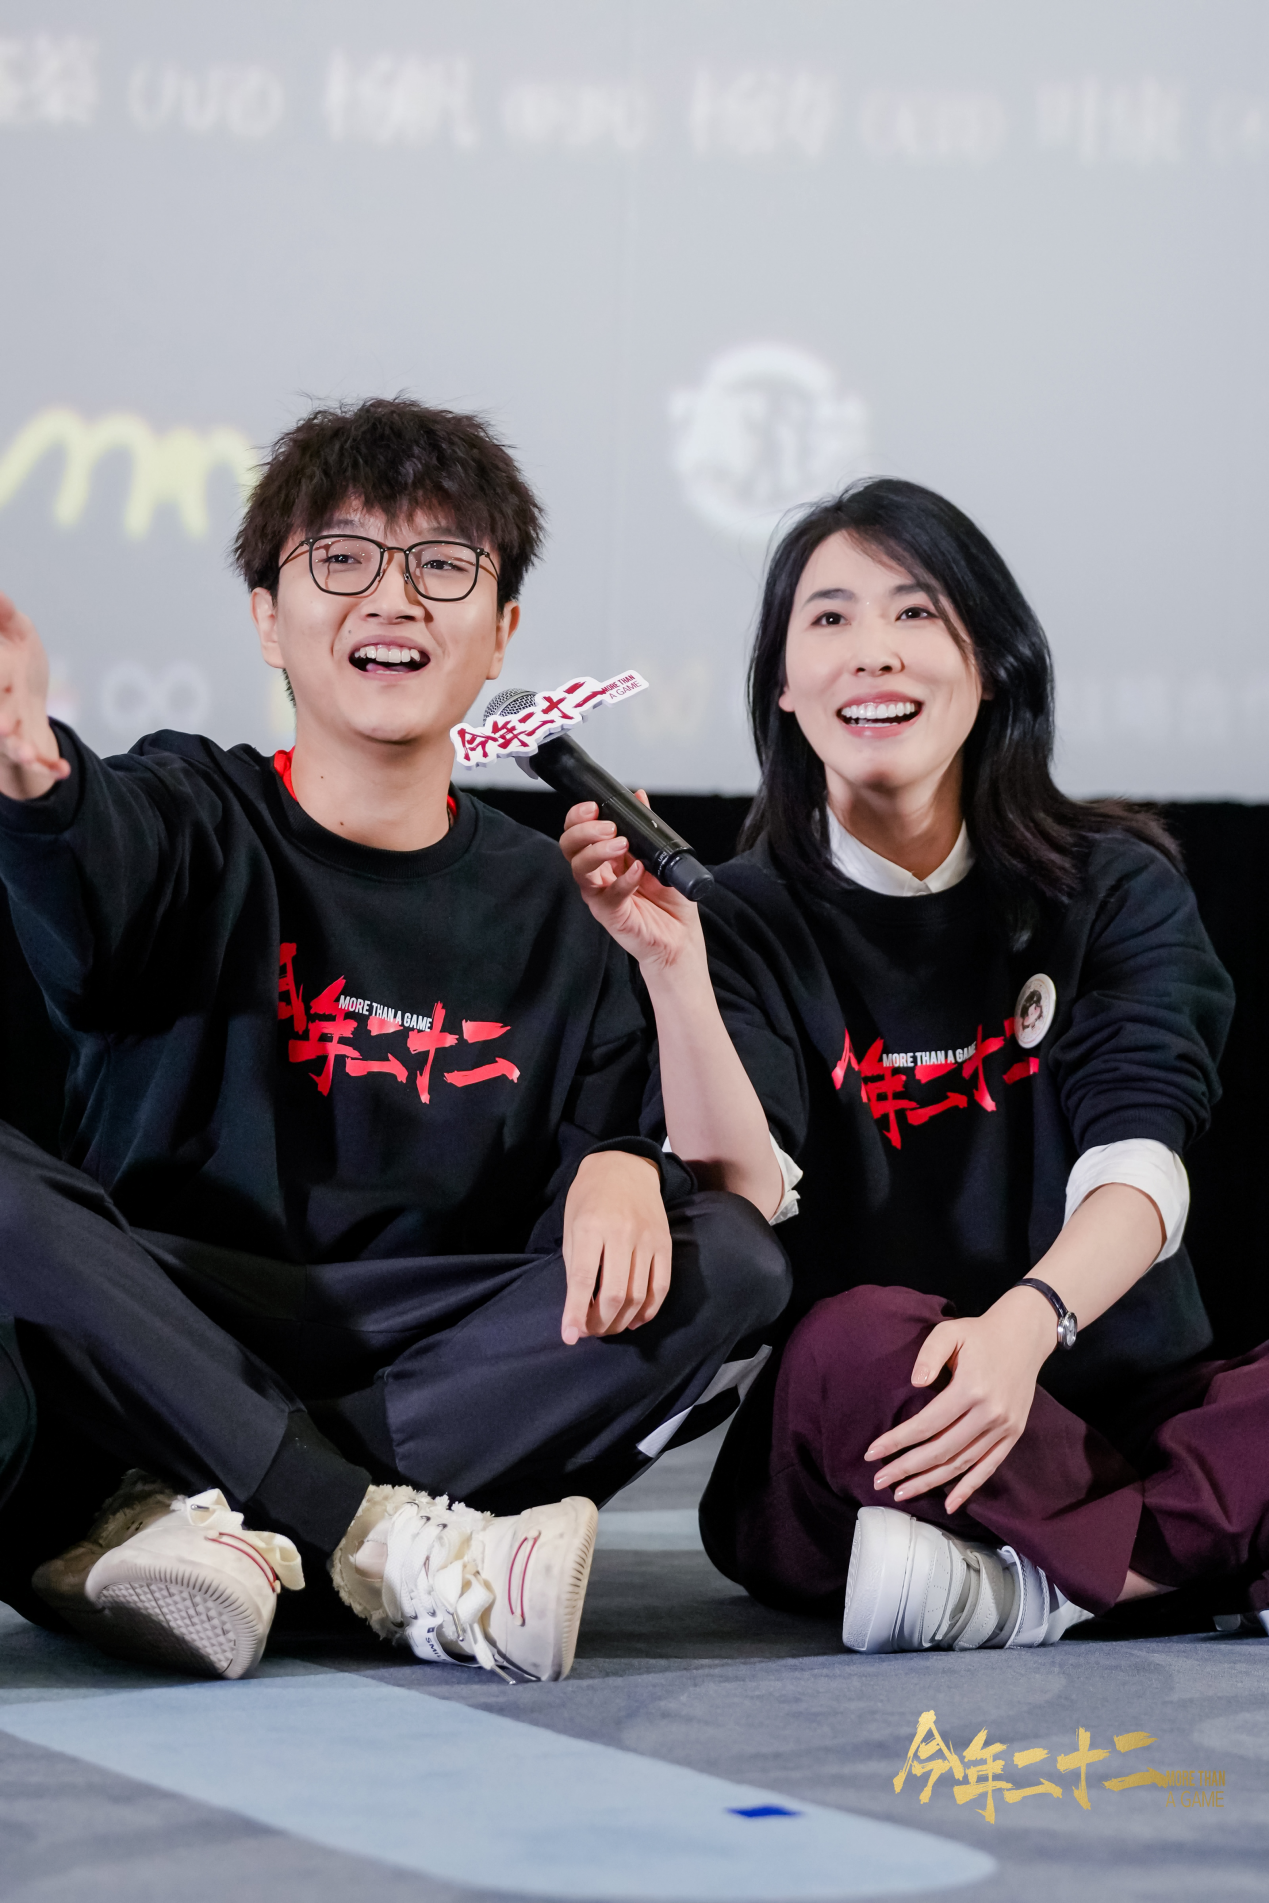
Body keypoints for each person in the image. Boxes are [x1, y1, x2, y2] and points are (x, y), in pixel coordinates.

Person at [0, 397, 789, 1683]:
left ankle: (198, 1530)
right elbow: (87, 878)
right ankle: (376, 1541)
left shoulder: (562, 899)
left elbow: (647, 1169)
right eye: (343, 557)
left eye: (443, 565)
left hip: (416, 1356)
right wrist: (31, 770)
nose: (394, 597)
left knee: (731, 1262)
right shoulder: (191, 811)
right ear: (268, 616)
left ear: (502, 633)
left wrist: (628, 1164)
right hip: (168, 1318)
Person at [562, 476, 1269, 1653]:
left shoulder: (1113, 887)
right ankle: (1188, 1553)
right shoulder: (733, 915)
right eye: (830, 619)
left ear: (990, 665)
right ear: (784, 686)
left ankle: (1030, 1589)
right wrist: (675, 969)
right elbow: (745, 1193)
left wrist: (1028, 1325)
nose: (873, 652)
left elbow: (1142, 1160)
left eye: (916, 612)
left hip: (1105, 1392)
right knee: (849, 1345)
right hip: (878, 1420)